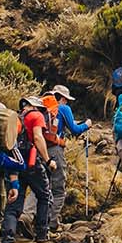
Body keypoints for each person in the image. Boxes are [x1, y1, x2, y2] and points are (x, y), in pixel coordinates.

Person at [44, 84, 88, 233]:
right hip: (55, 150)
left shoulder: (42, 107)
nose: (67, 102)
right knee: (58, 188)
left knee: (42, 186)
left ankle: (29, 216)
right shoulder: (63, 109)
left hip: (39, 150)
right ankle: (52, 223)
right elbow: (75, 130)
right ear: (62, 98)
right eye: (66, 99)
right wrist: (87, 125)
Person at [14, 96, 55, 243]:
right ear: (35, 107)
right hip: (32, 160)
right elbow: (38, 137)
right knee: (44, 196)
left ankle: (9, 237)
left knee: (17, 198)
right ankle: (42, 235)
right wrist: (48, 160)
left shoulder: (16, 118)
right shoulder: (36, 116)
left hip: (16, 162)